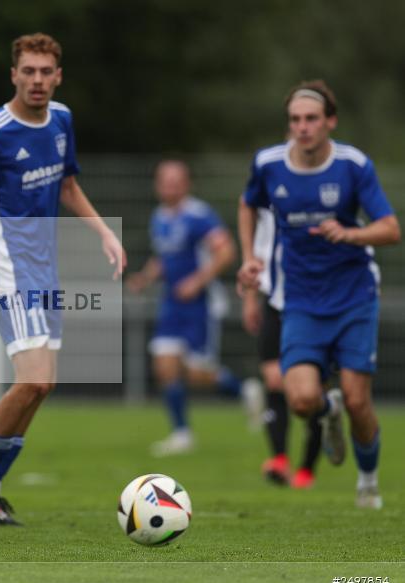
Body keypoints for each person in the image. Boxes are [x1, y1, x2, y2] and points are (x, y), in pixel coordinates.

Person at [0, 33, 125, 526]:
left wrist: (105, 233)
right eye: (29, 71)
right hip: (10, 270)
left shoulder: (61, 120)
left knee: (42, 387)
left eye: (46, 72)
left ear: (57, 76)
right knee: (33, 380)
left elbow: (68, 186)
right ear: (14, 74)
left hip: (45, 270)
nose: (37, 80)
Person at [238, 80, 400, 509]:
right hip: (301, 299)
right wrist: (250, 257)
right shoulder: (269, 164)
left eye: (311, 119)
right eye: (295, 120)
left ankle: (367, 481)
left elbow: (390, 228)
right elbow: (247, 203)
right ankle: (328, 414)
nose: (302, 127)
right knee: (301, 399)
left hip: (353, 297)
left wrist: (349, 233)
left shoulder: (352, 165)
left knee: (359, 400)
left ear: (330, 122)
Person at [127, 160, 258, 457]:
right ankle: (182, 433)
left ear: (187, 184)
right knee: (165, 366)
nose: (170, 186)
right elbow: (163, 257)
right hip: (172, 304)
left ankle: (243, 391)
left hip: (200, 305)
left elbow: (226, 251)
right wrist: (145, 278)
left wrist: (197, 282)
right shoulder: (158, 217)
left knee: (197, 373)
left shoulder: (200, 216)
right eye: (165, 180)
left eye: (176, 180)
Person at [241, 209, 322, 488]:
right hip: (275, 301)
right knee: (274, 379)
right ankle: (279, 459)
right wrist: (251, 299)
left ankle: (307, 468)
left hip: (315, 302)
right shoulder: (268, 195)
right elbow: (257, 256)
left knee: (310, 393)